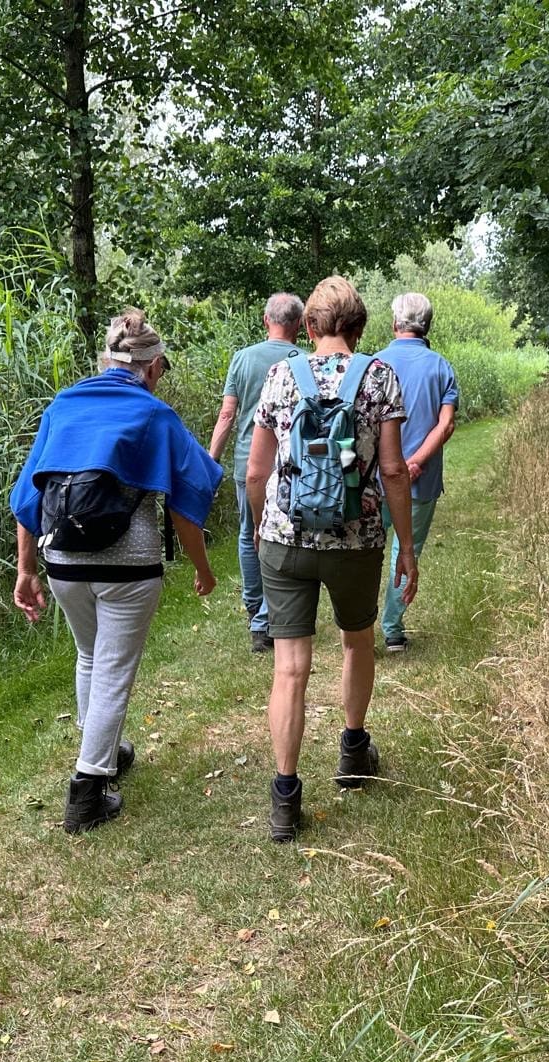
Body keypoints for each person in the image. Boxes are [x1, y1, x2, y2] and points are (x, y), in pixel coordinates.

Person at [10, 308, 223, 834]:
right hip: (128, 564)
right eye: (162, 369)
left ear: (106, 361)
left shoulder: (63, 405)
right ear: (151, 366)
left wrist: (26, 570)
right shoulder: (154, 415)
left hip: (62, 560)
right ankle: (87, 790)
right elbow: (187, 503)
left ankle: (105, 748)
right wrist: (203, 567)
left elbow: (28, 496)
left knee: (90, 655)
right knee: (112, 669)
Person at [244, 276, 418, 843]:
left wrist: (260, 526)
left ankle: (285, 798)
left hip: (286, 538)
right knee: (356, 641)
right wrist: (405, 545)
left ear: (310, 326)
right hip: (356, 540)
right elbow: (393, 470)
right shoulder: (379, 377)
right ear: (359, 328)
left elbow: (256, 471)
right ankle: (352, 750)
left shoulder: (279, 376)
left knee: (290, 667)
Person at [207, 293, 305, 654]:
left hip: (249, 463)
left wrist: (210, 462)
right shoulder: (304, 362)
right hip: (291, 466)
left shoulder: (243, 358)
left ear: (266, 320)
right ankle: (273, 614)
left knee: (250, 534)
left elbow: (227, 415)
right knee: (286, 536)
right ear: (299, 326)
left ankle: (256, 614)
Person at [377, 292, 459, 652]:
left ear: (395, 323)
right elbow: (446, 424)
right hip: (420, 482)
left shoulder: (374, 364)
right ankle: (392, 630)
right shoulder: (441, 367)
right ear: (428, 325)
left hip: (376, 479)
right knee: (406, 549)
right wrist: (416, 463)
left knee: (366, 550)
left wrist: (396, 465)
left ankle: (358, 623)